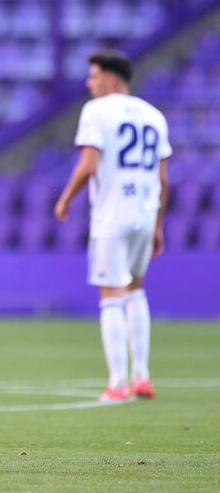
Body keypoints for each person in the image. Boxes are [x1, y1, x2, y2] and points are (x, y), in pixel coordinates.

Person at [55, 49, 170, 401]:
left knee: (111, 294)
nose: (89, 83)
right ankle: (142, 377)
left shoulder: (96, 111)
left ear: (110, 77)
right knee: (136, 288)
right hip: (145, 212)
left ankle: (118, 383)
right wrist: (158, 225)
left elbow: (89, 164)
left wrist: (65, 198)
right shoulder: (154, 115)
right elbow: (164, 179)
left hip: (112, 214)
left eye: (93, 76)